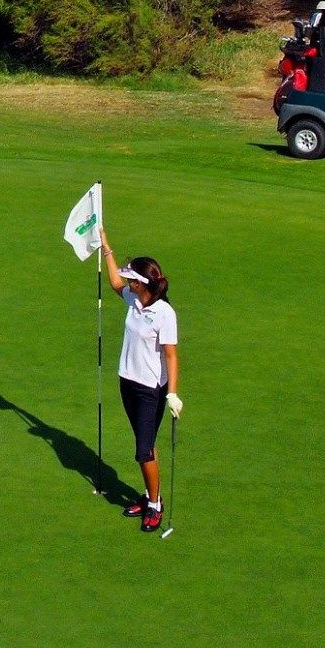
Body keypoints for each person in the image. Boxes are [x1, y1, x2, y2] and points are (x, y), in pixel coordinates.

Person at [99, 228, 181, 533]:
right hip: (127, 383)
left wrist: (172, 394)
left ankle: (156, 505)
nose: (129, 282)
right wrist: (107, 249)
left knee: (143, 449)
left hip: (150, 390)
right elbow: (115, 283)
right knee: (144, 443)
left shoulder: (164, 313)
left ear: (143, 283)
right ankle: (149, 496)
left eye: (134, 278)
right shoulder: (133, 299)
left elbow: (171, 356)